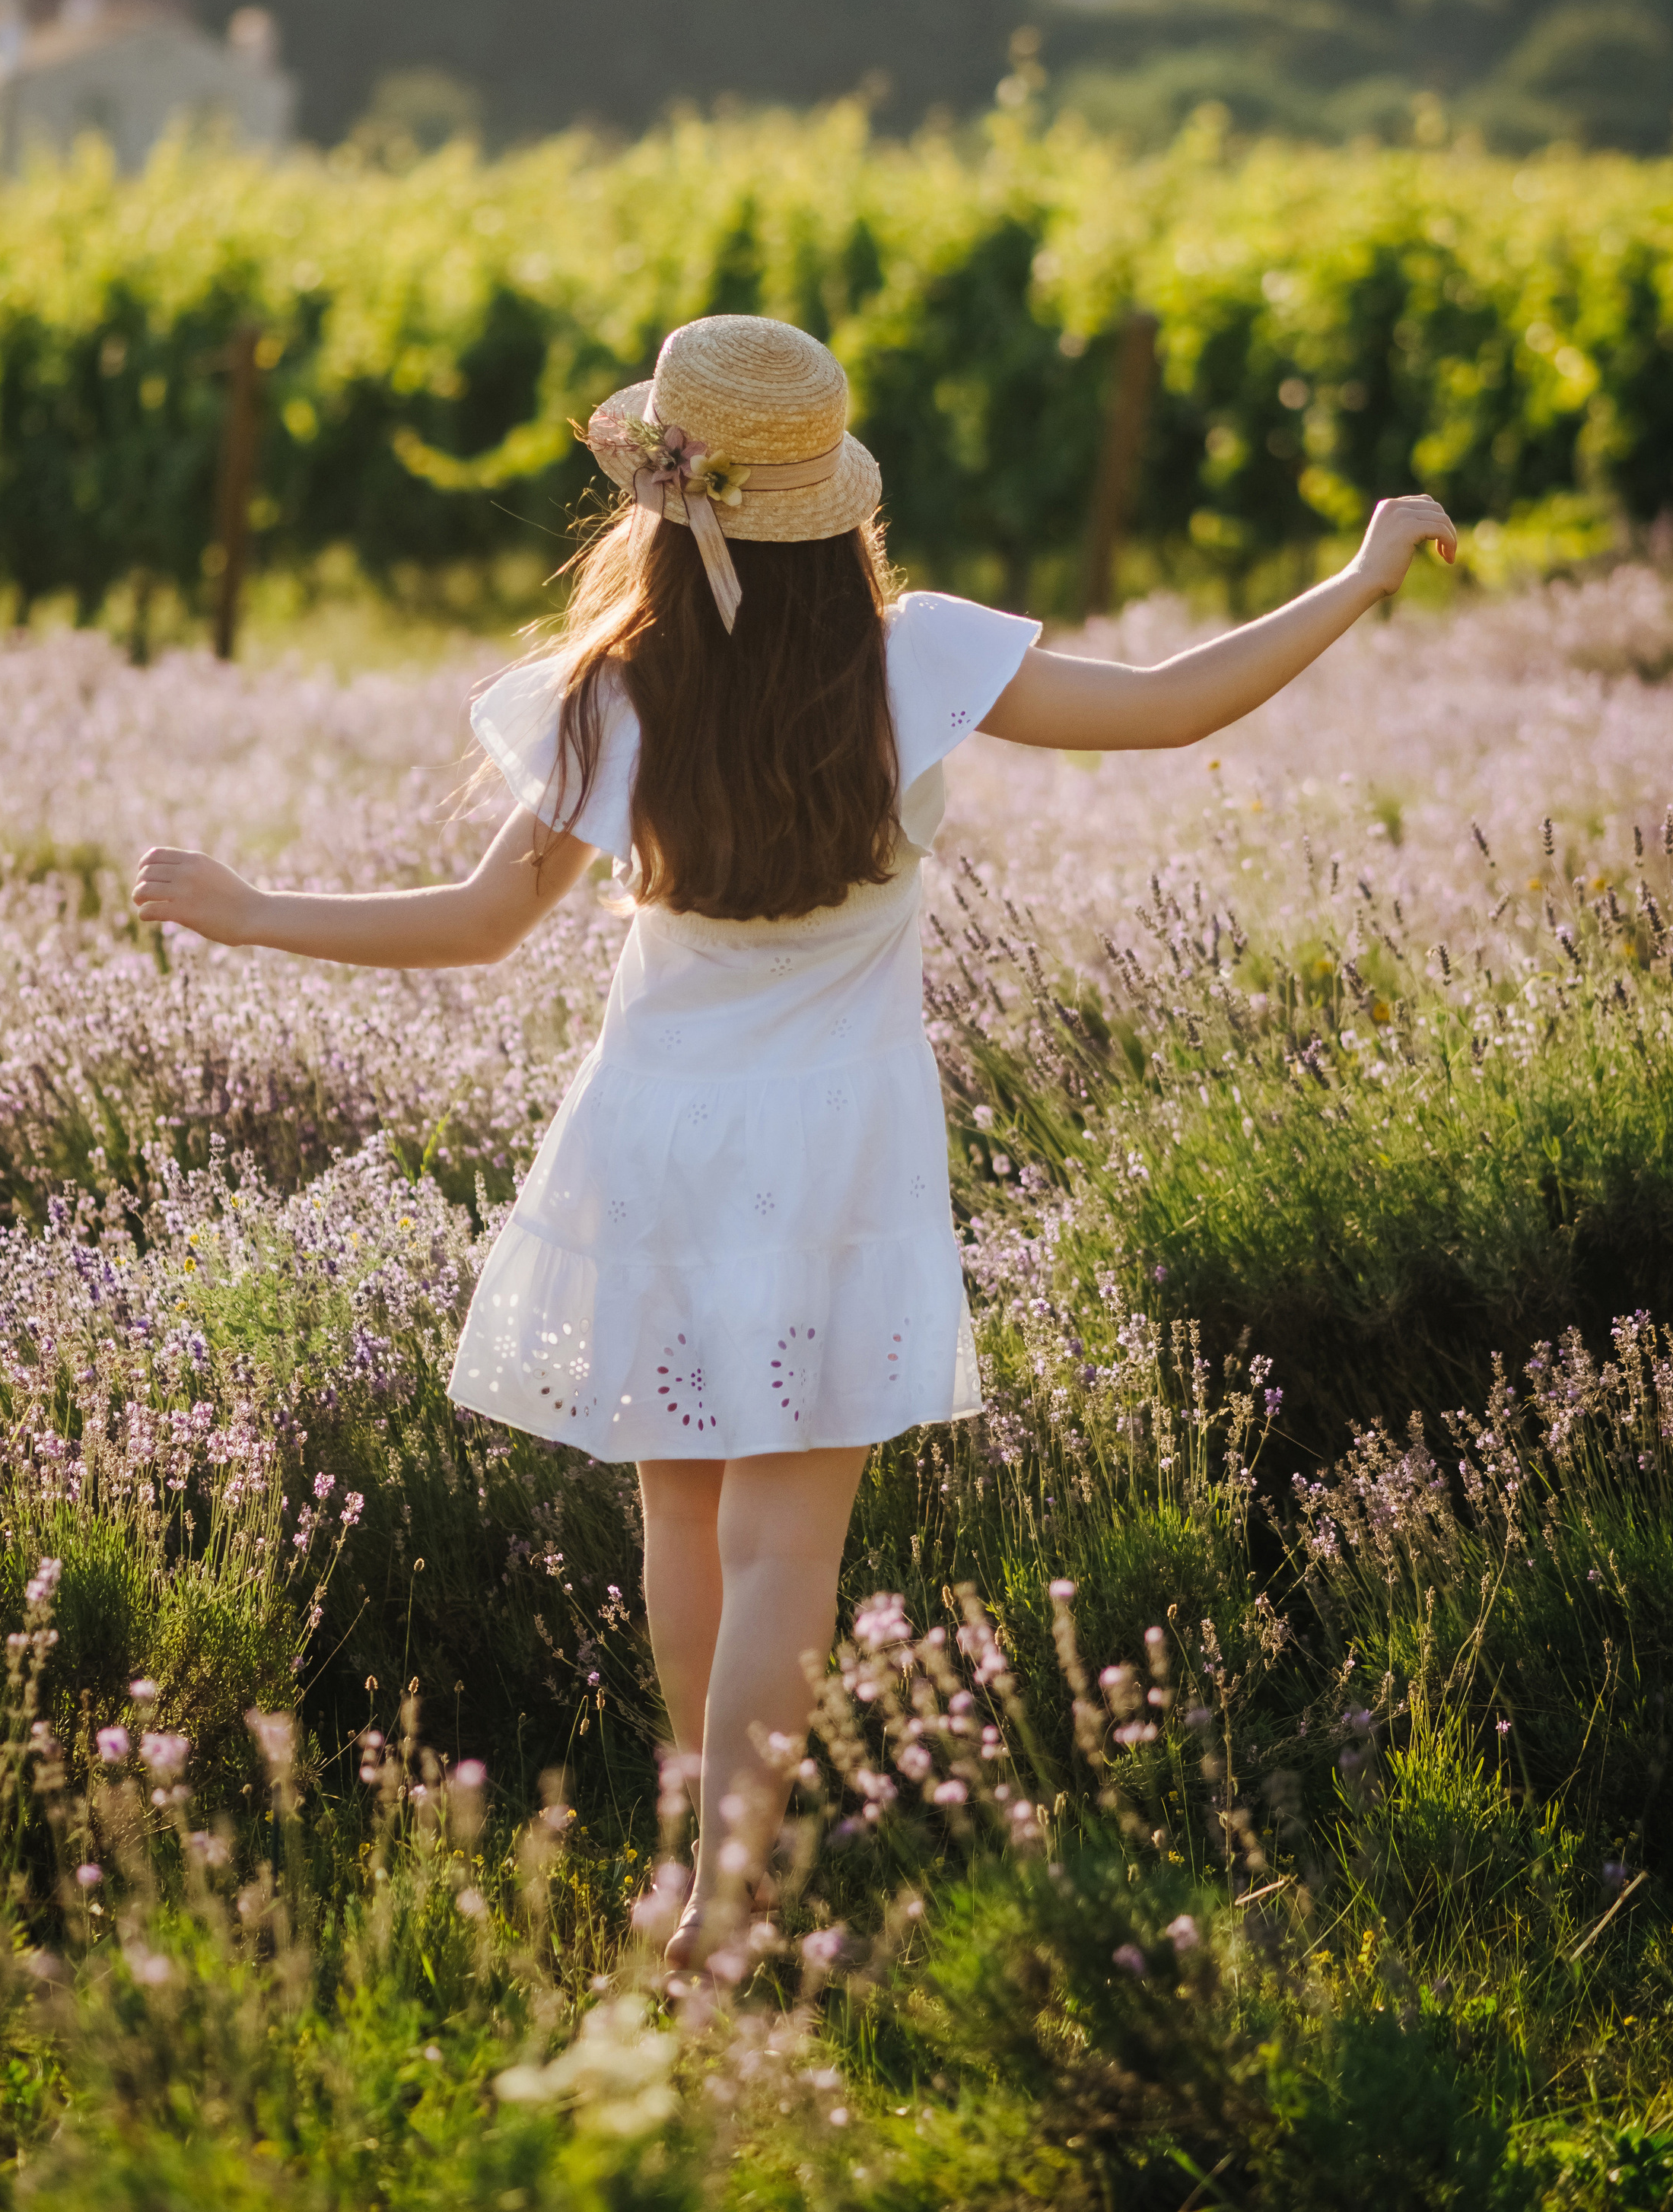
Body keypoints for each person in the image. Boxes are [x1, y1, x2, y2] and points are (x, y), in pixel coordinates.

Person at [134, 312, 1455, 1969]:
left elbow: (478, 926)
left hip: (651, 1133)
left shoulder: (608, 691)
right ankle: (727, 1894)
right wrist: (1354, 578)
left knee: (680, 1525)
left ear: (659, 500)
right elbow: (1175, 705)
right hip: (836, 1143)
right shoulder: (915, 660)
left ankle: (703, 1864)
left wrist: (253, 912)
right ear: (833, 503)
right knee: (783, 1544)